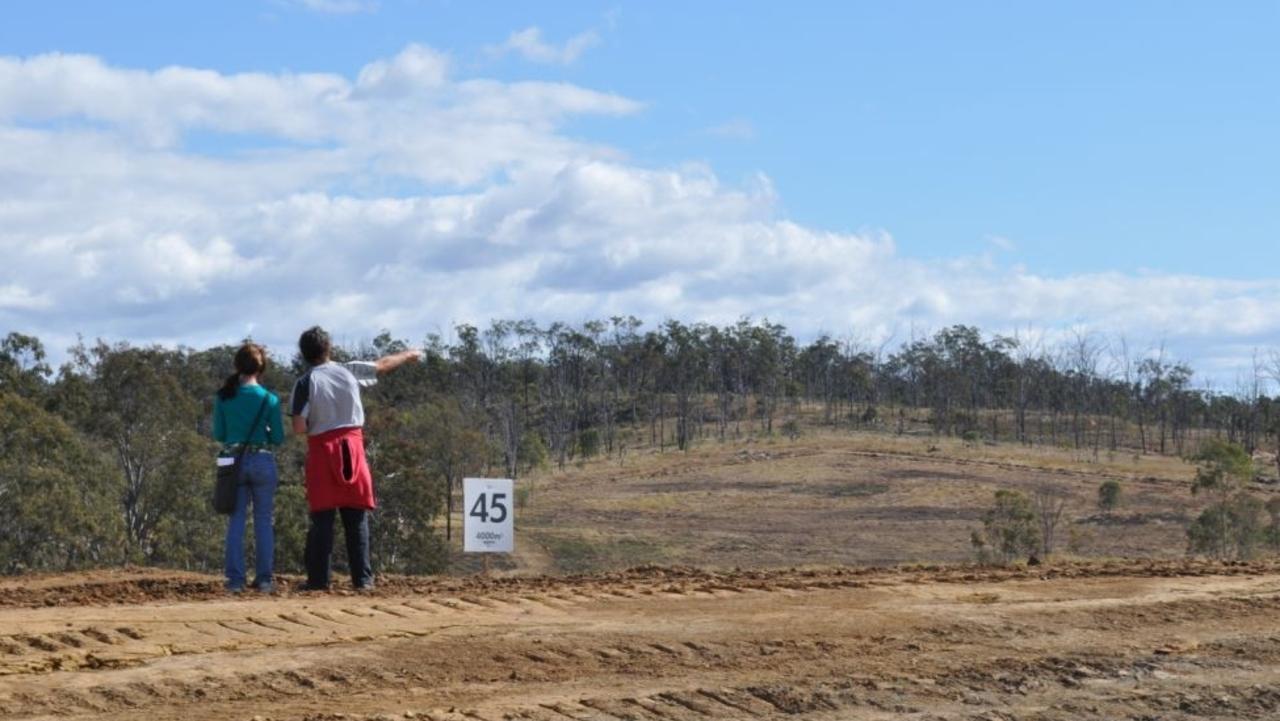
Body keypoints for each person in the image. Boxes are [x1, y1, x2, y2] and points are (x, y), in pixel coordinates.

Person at [290, 326, 421, 591]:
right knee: (355, 516)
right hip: (352, 446)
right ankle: (363, 580)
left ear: (304, 354)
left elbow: (299, 427)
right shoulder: (348, 370)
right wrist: (408, 354)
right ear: (329, 348)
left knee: (322, 518)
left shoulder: (304, 383)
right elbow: (382, 365)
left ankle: (318, 581)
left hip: (321, 449)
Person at [213, 342, 285, 594]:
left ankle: (235, 581)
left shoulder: (223, 397)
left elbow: (219, 433)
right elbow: (277, 438)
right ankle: (264, 579)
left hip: (233, 462)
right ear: (261, 367)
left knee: (236, 521)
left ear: (237, 365)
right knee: (263, 521)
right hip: (263, 461)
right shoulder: (269, 399)